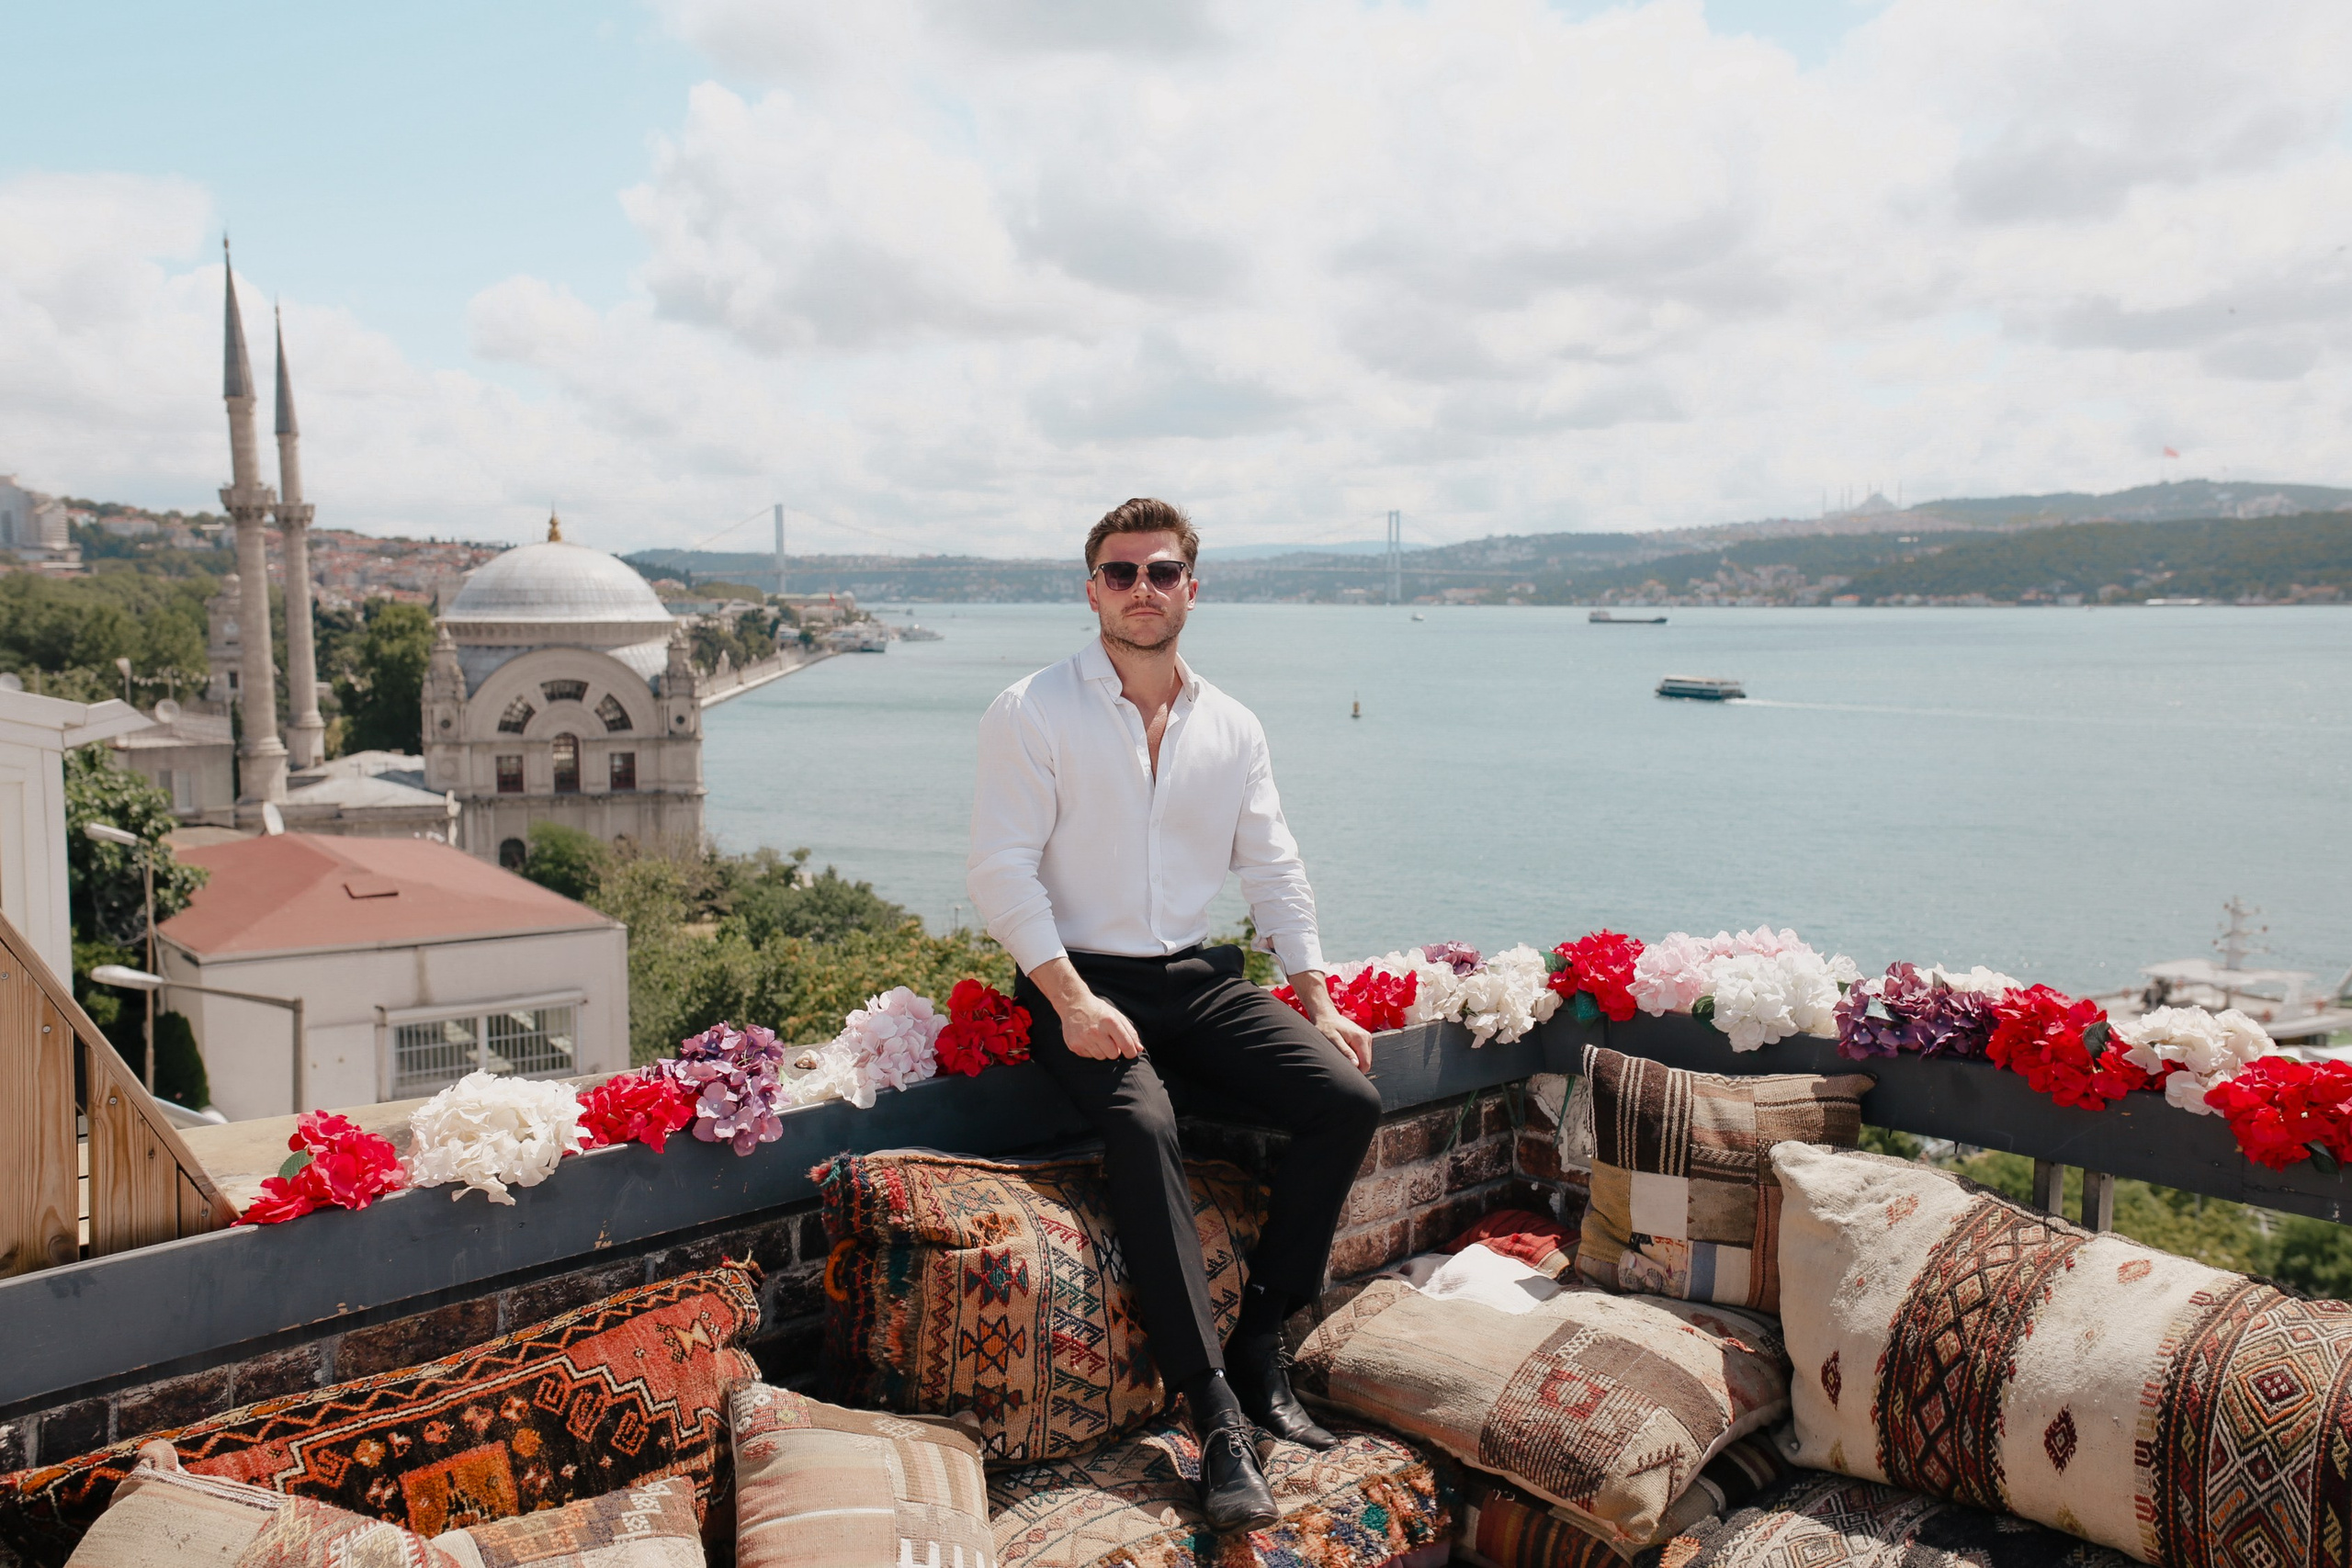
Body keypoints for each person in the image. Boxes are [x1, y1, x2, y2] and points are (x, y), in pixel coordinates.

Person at [966, 497, 1383, 1533]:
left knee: (1342, 1098)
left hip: (1197, 978)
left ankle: (1263, 1337)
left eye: (1160, 572)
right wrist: (1069, 1000)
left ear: (1192, 587)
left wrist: (1316, 997)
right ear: (1089, 587)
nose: (1139, 590)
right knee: (1142, 1123)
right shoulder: (1031, 709)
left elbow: (1272, 867)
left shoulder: (1231, 723)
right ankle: (1215, 1412)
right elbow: (1000, 867)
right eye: (1119, 573)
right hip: (1080, 979)